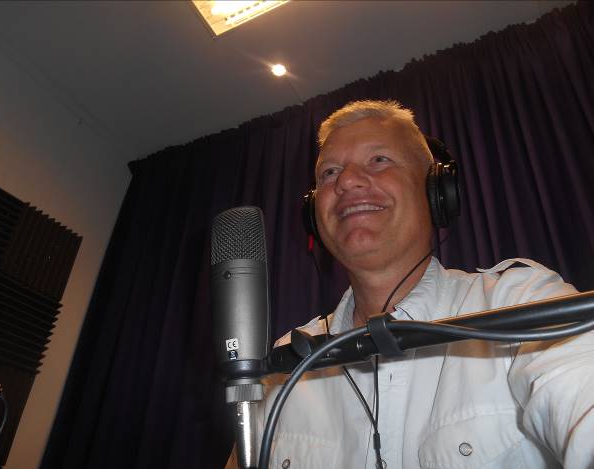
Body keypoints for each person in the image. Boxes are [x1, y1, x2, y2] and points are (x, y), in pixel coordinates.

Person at [226, 100, 594, 468]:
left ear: (437, 191)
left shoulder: (519, 300)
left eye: (379, 160)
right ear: (314, 213)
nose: (346, 181)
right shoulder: (287, 361)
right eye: (330, 172)